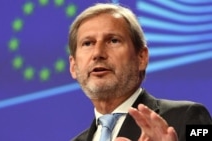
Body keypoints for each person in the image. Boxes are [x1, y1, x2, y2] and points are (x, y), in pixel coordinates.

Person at [68, 3, 212, 141]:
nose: (98, 53)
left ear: (141, 57)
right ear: (73, 66)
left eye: (113, 41)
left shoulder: (188, 117)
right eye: (87, 43)